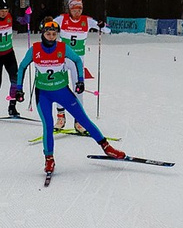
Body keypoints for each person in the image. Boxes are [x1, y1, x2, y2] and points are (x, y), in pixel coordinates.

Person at [16, 25, 123, 180]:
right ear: (42, 34)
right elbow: (22, 67)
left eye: (54, 34)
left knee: (83, 119)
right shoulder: (35, 49)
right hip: (43, 94)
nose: (51, 37)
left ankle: (106, 147)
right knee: (48, 125)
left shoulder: (62, 48)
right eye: (48, 34)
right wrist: (19, 89)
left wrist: (80, 81)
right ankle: (49, 158)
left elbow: (78, 61)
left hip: (63, 92)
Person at [55, 0, 102, 88]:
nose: (77, 13)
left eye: (79, 10)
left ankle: (78, 103)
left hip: (78, 59)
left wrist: (102, 25)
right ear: (70, 9)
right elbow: (47, 25)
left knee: (78, 89)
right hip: (62, 58)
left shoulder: (87, 20)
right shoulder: (62, 18)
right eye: (74, 10)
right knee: (59, 89)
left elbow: (108, 29)